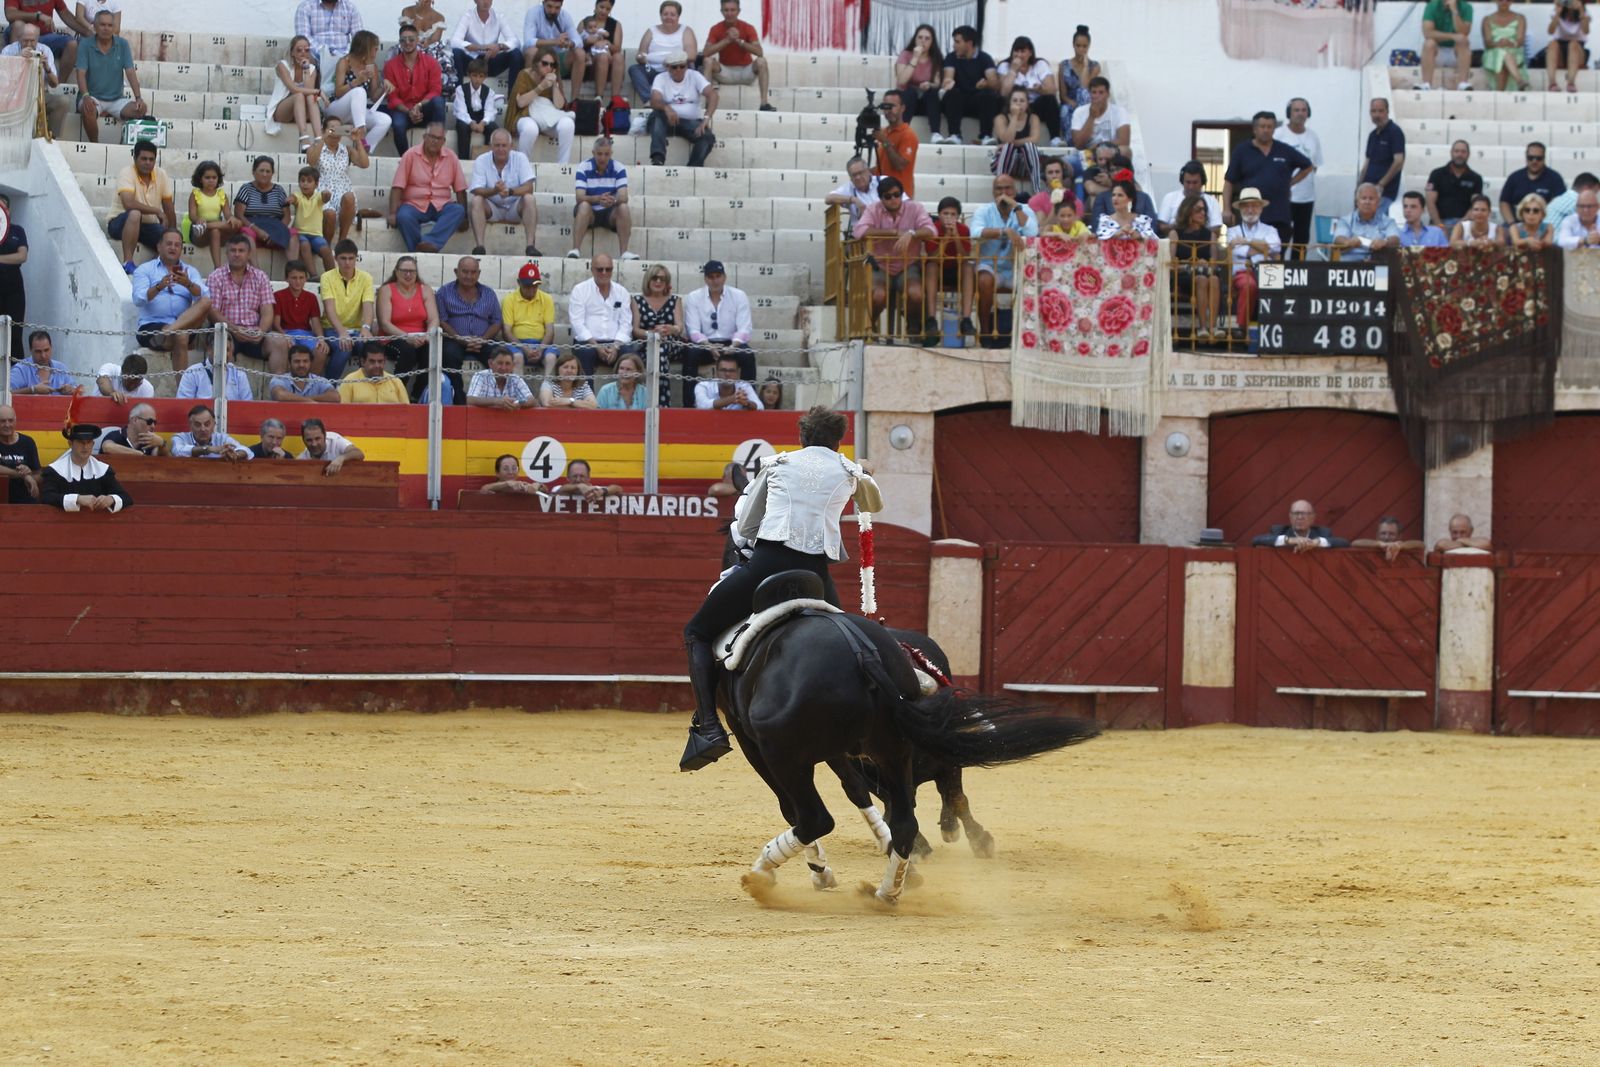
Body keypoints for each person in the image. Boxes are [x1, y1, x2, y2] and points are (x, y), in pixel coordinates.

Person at [680, 406, 883, 770]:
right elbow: (875, 504)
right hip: (817, 577)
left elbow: (746, 526)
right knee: (855, 646)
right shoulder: (849, 471)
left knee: (696, 631)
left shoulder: (777, 464)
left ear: (802, 436)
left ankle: (709, 727)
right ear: (838, 440)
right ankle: (875, 723)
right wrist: (858, 470)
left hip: (767, 567)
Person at [853, 176, 938, 341]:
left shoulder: (915, 207)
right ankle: (871, 325)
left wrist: (911, 233)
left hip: (908, 265)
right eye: (888, 196)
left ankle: (913, 326)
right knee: (877, 295)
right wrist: (893, 233)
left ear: (902, 194)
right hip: (880, 265)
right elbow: (859, 231)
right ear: (881, 198)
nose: (893, 199)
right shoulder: (873, 209)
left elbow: (931, 230)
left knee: (916, 294)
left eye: (897, 194)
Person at [1221, 111, 1314, 246]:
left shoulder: (1284, 150)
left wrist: (1290, 182)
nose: (1266, 130)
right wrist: (1226, 209)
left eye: (1270, 127)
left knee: (1276, 257)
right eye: (1262, 126)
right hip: (1251, 215)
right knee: (1246, 254)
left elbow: (1308, 166)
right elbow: (1229, 182)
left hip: (1279, 215)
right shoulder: (1242, 151)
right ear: (1255, 129)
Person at [207, 233, 290, 372]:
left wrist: (261, 331)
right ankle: (222, 392)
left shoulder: (260, 276)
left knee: (279, 342)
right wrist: (235, 329)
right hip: (227, 331)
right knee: (221, 344)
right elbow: (213, 312)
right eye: (233, 250)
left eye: (241, 251)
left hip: (255, 332)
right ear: (227, 253)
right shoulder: (216, 276)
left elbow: (267, 309)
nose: (237, 254)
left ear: (249, 253)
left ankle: (278, 388)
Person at [131, 228, 211, 372]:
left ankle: (169, 330)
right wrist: (159, 286)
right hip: (152, 327)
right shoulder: (145, 269)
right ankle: (181, 393)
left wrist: (188, 284)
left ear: (181, 248)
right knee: (181, 336)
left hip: (180, 326)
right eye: (169, 244)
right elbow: (138, 299)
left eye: (177, 245)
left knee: (205, 302)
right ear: (159, 246)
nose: (173, 248)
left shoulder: (190, 271)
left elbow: (203, 296)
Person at [972, 175, 1037, 344]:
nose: (1003, 193)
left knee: (1033, 283)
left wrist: (1016, 207)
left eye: (1007, 188)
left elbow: (1032, 233)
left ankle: (1024, 336)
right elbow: (975, 232)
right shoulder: (984, 210)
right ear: (993, 192)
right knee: (984, 281)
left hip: (1017, 267)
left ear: (1014, 191)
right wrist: (1004, 232)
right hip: (990, 265)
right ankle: (985, 332)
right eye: (999, 189)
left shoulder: (1024, 209)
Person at [388, 122, 468, 254]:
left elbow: (460, 189)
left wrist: (465, 217)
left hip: (441, 205)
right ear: (424, 137)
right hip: (414, 204)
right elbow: (398, 186)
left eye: (439, 138)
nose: (435, 141)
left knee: (458, 210)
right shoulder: (410, 155)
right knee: (404, 216)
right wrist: (392, 213)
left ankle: (430, 243)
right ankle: (419, 251)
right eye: (431, 137)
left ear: (444, 141)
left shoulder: (451, 157)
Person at [682, 259, 756, 396]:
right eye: (711, 277)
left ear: (724, 277)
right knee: (690, 353)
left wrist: (733, 346)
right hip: (705, 344)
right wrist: (708, 346)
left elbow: (745, 328)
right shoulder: (694, 297)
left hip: (732, 343)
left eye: (718, 276)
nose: (715, 281)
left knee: (747, 354)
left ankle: (748, 399)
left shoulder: (739, 296)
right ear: (705, 279)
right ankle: (690, 403)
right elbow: (693, 330)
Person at [437, 255, 506, 402]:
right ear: (456, 271)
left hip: (484, 340)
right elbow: (442, 321)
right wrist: (460, 339)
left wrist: (482, 340)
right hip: (454, 339)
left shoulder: (488, 293)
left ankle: (498, 397)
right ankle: (459, 401)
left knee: (501, 356)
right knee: (448, 355)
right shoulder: (444, 292)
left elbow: (497, 321)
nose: (469, 276)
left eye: (473, 272)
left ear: (479, 273)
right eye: (465, 271)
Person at [72, 9, 143, 146]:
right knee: (89, 109)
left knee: (141, 109)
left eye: (110, 25)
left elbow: (130, 72)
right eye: (103, 25)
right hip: (92, 96)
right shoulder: (85, 44)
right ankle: (95, 144)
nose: (106, 28)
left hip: (116, 99)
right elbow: (80, 73)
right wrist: (86, 96)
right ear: (95, 26)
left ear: (114, 27)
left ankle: (124, 144)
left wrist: (138, 97)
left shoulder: (122, 44)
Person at [466, 129, 540, 257]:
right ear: (491, 146)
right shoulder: (481, 160)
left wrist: (511, 191)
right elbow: (476, 189)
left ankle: (530, 246)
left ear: (511, 146)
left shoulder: (520, 158)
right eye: (497, 145)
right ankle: (479, 247)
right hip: (492, 207)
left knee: (529, 198)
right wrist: (494, 191)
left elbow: (529, 187)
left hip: (514, 207)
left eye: (504, 145)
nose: (500, 149)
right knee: (476, 200)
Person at [568, 253, 639, 384]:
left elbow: (626, 324)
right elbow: (577, 323)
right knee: (585, 352)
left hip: (616, 342)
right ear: (592, 269)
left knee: (630, 356)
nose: (604, 273)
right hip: (588, 341)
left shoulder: (621, 291)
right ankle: (587, 400)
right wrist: (596, 347)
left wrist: (615, 346)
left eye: (608, 269)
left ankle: (629, 401)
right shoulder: (580, 290)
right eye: (600, 269)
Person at [376, 255, 438, 400]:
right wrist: (407, 337)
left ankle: (418, 394)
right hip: (393, 337)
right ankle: (397, 393)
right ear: (396, 272)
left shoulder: (425, 289)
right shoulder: (387, 290)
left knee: (431, 351)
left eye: (412, 271)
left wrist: (427, 335)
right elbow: (385, 323)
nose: (408, 275)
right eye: (404, 271)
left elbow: (434, 318)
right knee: (407, 351)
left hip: (420, 337)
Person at [109, 139, 173, 274]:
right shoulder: (126, 172)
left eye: (151, 159)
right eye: (144, 159)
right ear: (135, 158)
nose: (148, 162)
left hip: (146, 226)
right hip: (119, 223)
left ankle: (158, 267)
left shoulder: (161, 174)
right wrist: (157, 211)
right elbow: (129, 204)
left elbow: (168, 207)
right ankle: (128, 263)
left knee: (168, 237)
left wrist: (174, 234)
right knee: (135, 214)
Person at [382, 23, 446, 155]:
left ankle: (438, 150)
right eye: (403, 40)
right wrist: (410, 111)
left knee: (439, 101)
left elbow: (435, 90)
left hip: (425, 107)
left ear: (418, 40)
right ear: (399, 42)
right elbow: (393, 98)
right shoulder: (390, 66)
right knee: (398, 125)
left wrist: (419, 105)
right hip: (404, 109)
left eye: (411, 39)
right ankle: (407, 160)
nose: (407, 43)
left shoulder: (431, 62)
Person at [325, 29, 392, 152]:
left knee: (385, 120)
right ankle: (361, 130)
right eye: (375, 48)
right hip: (337, 110)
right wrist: (357, 81)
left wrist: (384, 88)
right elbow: (338, 92)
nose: (377, 52)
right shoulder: (345, 62)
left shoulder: (372, 66)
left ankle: (364, 149)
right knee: (359, 91)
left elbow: (373, 96)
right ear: (366, 48)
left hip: (356, 113)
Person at [570, 135, 636, 260]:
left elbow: (623, 196)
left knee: (623, 207)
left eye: (606, 154)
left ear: (611, 154)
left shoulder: (619, 167)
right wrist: (598, 199)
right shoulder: (583, 167)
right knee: (583, 206)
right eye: (599, 154)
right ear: (593, 153)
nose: (602, 158)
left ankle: (624, 252)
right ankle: (575, 249)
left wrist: (613, 200)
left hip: (609, 212)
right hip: (590, 212)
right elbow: (579, 197)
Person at [648, 49, 716, 168]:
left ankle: (693, 167)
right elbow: (654, 100)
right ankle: (658, 158)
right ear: (668, 67)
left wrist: (706, 119)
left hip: (690, 122)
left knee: (707, 137)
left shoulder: (694, 75)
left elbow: (713, 95)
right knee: (657, 116)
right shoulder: (660, 78)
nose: (678, 70)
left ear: (686, 66)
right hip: (666, 120)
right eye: (674, 67)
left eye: (682, 66)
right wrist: (666, 108)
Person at [507, 46, 575, 164]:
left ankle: (562, 165)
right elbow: (521, 102)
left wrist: (554, 85)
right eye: (545, 63)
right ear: (537, 63)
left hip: (547, 117)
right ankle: (522, 165)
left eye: (552, 65)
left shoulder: (553, 77)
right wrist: (541, 87)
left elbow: (559, 105)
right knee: (530, 129)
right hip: (525, 114)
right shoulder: (524, 75)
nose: (548, 68)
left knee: (568, 124)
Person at [41, 423, 132, 511]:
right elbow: (47, 497)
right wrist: (77, 499)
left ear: (92, 444)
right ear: (70, 444)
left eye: (88, 442)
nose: (85, 447)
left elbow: (126, 497)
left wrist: (111, 499)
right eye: (81, 442)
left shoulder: (103, 470)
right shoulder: (55, 470)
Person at [319, 240, 375, 380]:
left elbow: (368, 305)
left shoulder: (366, 278)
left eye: (351, 258)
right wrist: (342, 332)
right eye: (343, 258)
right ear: (335, 258)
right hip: (331, 328)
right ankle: (329, 386)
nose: (347, 262)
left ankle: (367, 385)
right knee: (344, 347)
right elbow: (329, 308)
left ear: (356, 258)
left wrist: (366, 327)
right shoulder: (327, 277)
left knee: (369, 347)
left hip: (356, 329)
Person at [935, 25, 999, 146]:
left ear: (969, 43)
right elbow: (948, 77)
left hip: (976, 101)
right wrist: (948, 82)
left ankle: (986, 136)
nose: (954, 45)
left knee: (988, 95)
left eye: (957, 42)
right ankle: (954, 135)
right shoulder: (951, 57)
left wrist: (986, 84)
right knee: (953, 94)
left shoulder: (984, 58)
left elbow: (995, 84)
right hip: (957, 101)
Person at [702, 0, 772, 112]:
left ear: (738, 11)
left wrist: (740, 41)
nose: (729, 13)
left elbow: (759, 52)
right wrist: (727, 40)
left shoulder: (748, 27)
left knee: (761, 61)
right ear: (721, 11)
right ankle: (708, 103)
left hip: (746, 72)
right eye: (726, 10)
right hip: (725, 73)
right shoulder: (715, 29)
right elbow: (706, 52)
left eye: (733, 10)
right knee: (707, 61)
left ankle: (764, 103)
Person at [1227, 188, 1281, 331]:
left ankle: (1274, 329)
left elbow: (1274, 249)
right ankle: (1242, 328)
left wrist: (1246, 241)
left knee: (1280, 286)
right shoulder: (1232, 231)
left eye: (1254, 205)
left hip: (1268, 271)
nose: (1250, 210)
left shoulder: (1270, 230)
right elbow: (1242, 251)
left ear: (1261, 208)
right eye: (1246, 206)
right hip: (1243, 271)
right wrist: (1263, 247)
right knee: (1249, 285)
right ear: (1240, 209)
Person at [923, 196, 975, 342]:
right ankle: (932, 319)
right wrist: (945, 238)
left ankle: (966, 319)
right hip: (937, 269)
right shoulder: (933, 229)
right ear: (939, 215)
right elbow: (933, 257)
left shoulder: (963, 229)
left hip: (956, 269)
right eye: (945, 214)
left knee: (968, 267)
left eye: (953, 214)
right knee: (932, 266)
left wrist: (956, 236)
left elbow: (964, 256)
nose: (949, 217)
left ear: (958, 216)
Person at [1171, 195, 1221, 342]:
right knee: (1201, 280)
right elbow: (1170, 263)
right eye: (1198, 209)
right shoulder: (1176, 234)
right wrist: (1190, 264)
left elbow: (1215, 263)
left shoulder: (1209, 235)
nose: (1203, 213)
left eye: (1204, 210)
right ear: (1188, 211)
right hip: (1182, 275)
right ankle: (1203, 328)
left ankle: (1213, 328)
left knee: (1213, 279)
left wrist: (1206, 264)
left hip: (1204, 274)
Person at [631, 262, 682, 402]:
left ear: (667, 282)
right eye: (654, 278)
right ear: (648, 280)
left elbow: (679, 327)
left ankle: (652, 401)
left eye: (662, 279)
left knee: (661, 348)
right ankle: (660, 402)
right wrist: (652, 335)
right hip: (646, 341)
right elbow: (635, 330)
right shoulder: (637, 300)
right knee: (657, 349)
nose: (658, 281)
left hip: (670, 342)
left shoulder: (675, 300)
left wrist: (671, 329)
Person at [1278, 98, 1323, 257]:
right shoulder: (1279, 134)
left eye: (1303, 110)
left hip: (1306, 197)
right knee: (1281, 237)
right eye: (1296, 110)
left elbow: (1315, 166)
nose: (1300, 113)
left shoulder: (1313, 137)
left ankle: (1298, 272)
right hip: (1284, 197)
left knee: (1301, 238)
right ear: (1289, 113)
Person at [270, 260, 331, 372]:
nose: (298, 281)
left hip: (305, 334)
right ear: (286, 279)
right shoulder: (278, 296)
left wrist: (321, 338)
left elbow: (316, 323)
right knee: (286, 347)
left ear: (306, 278)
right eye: (294, 278)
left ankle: (309, 383)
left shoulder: (311, 297)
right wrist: (284, 336)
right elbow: (276, 324)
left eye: (301, 278)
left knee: (321, 351)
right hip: (286, 332)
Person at [630, 0, 696, 103]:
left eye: (672, 14)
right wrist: (641, 58)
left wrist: (670, 60)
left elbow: (691, 55)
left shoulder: (686, 31)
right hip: (653, 71)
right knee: (634, 69)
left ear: (678, 16)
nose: (668, 17)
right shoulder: (651, 31)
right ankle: (650, 100)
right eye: (665, 14)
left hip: (674, 70)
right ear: (661, 16)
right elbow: (640, 54)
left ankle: (682, 99)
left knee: (690, 67)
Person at [997, 35, 1059, 144]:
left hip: (1034, 104)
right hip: (1013, 106)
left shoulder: (1040, 64)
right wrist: (1013, 70)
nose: (1019, 55)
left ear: (1030, 53)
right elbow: (1003, 92)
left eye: (1023, 51)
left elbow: (1052, 89)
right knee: (998, 100)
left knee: (1050, 100)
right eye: (1016, 51)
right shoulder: (1005, 66)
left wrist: (1041, 89)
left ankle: (1055, 138)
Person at [267, 35, 325, 152]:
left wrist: (306, 69)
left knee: (310, 97)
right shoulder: (283, 65)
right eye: (299, 50)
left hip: (303, 111)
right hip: (283, 110)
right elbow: (293, 89)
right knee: (299, 95)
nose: (303, 53)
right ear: (292, 52)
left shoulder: (311, 68)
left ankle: (319, 138)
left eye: (307, 50)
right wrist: (318, 91)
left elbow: (308, 90)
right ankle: (304, 137)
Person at [502, 261, 559, 376]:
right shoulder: (509, 299)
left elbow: (550, 331)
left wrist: (541, 349)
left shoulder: (546, 299)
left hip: (541, 344)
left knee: (551, 357)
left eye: (535, 285)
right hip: (517, 344)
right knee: (517, 358)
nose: (532, 289)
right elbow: (507, 332)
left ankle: (547, 391)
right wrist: (524, 348)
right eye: (528, 286)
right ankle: (519, 393)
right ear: (519, 283)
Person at [232, 155, 293, 263]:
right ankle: (257, 273)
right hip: (251, 227)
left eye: (268, 171)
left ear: (272, 173)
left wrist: (277, 234)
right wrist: (257, 230)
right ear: (254, 172)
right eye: (261, 170)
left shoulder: (279, 190)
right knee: (247, 234)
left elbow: (287, 216)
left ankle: (294, 270)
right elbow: (239, 214)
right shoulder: (246, 189)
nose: (265, 174)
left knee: (293, 234)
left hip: (275, 228)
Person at [186, 160, 242, 272]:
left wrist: (231, 218)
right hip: (199, 231)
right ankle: (218, 268)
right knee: (215, 230)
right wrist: (198, 219)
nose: (211, 180)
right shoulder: (195, 194)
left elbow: (227, 214)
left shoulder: (221, 194)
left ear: (218, 179)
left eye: (214, 177)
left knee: (237, 224)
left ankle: (210, 226)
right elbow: (192, 215)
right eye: (207, 178)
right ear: (200, 179)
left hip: (215, 228)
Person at [450, 0, 521, 82]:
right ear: (475, 1)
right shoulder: (467, 16)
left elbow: (516, 41)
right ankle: (459, 93)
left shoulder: (499, 17)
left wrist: (499, 47)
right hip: (472, 61)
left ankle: (512, 94)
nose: (486, 2)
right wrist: (482, 47)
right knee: (456, 53)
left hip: (491, 60)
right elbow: (454, 42)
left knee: (516, 54)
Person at [893, 23, 943, 135]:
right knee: (910, 92)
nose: (923, 41)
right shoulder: (905, 55)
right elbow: (901, 81)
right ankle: (901, 132)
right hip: (906, 101)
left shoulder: (936, 58)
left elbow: (937, 83)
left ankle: (936, 134)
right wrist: (915, 58)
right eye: (920, 37)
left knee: (932, 93)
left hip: (925, 102)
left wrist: (929, 85)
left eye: (927, 38)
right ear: (915, 39)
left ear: (932, 42)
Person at [1331, 184, 1401, 262]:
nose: (1367, 202)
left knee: (1384, 272)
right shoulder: (1345, 220)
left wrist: (1385, 242)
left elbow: (1395, 240)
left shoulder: (1388, 222)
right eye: (1364, 198)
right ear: (1357, 202)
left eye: (1371, 199)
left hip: (1378, 265)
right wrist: (1348, 242)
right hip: (1351, 266)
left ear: (1378, 202)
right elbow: (1338, 239)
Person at [1500, 143, 1567, 224]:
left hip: (1544, 225)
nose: (1534, 161)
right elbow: (1504, 202)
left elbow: (1559, 205)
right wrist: (1512, 224)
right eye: (1530, 158)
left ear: (1544, 158)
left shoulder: (1555, 178)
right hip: (1517, 224)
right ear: (1526, 157)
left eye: (1538, 158)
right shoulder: (1514, 177)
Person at [1425, 140, 1483, 233]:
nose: (1459, 154)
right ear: (1451, 153)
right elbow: (1430, 202)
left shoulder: (1476, 178)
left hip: (1465, 224)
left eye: (1463, 152)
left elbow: (1475, 205)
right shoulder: (1437, 174)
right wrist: (1440, 226)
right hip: (1440, 223)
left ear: (1468, 154)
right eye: (1456, 151)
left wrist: (1461, 225)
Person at [992, 87, 1042, 192]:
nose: (1018, 103)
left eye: (1022, 101)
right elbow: (1007, 140)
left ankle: (1037, 188)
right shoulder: (1000, 118)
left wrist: (1015, 143)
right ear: (1009, 103)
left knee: (1030, 146)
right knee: (1008, 147)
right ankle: (1000, 186)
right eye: (1015, 100)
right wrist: (1014, 117)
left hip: (1025, 163)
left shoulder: (1033, 118)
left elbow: (1035, 139)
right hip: (1004, 161)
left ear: (1027, 103)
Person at [452, 57, 504, 159]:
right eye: (474, 76)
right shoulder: (461, 90)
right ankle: (463, 157)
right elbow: (461, 110)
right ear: (469, 75)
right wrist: (471, 123)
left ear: (485, 77)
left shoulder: (489, 92)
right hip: (466, 119)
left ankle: (487, 157)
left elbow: (490, 111)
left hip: (481, 120)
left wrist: (483, 123)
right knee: (462, 126)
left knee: (493, 127)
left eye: (481, 76)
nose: (477, 79)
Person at [1156, 161, 1224, 239]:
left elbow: (1216, 230)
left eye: (1195, 183)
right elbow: (1162, 227)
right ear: (1182, 181)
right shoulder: (1169, 198)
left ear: (1202, 182)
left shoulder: (1212, 202)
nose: (1191, 187)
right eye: (1188, 182)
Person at [175, 334, 253, 401]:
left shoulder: (239, 375)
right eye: (220, 349)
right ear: (209, 349)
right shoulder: (192, 372)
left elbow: (248, 406)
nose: (225, 354)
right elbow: (183, 404)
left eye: (227, 350)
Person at [292, 0, 363, 70]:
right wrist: (325, 55)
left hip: (345, 59)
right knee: (302, 58)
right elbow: (303, 38)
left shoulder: (350, 8)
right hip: (316, 58)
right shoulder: (305, 7)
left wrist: (344, 55)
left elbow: (358, 39)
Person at [1362, 98, 1405, 214]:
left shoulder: (1395, 132)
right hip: (1367, 193)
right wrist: (1359, 187)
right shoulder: (1372, 135)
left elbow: (1399, 161)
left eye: (1380, 111)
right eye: (1373, 111)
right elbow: (1367, 163)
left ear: (1387, 111)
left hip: (1384, 194)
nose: (1377, 115)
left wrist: (1381, 184)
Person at [1250, 500, 1346, 551]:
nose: (1300, 517)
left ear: (1313, 518)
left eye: (1305, 514)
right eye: (1296, 513)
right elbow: (1256, 540)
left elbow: (1344, 543)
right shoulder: (1278, 531)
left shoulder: (1323, 532)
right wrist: (1289, 540)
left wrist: (1316, 542)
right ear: (1290, 517)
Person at [1420, 0, 1474, 91]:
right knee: (1429, 43)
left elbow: (1464, 32)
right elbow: (1427, 33)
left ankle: (1462, 84)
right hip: (1437, 52)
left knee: (1464, 42)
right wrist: (1452, 36)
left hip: (1456, 53)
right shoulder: (1432, 6)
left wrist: (1454, 10)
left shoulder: (1467, 7)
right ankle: (1426, 84)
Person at [1068, 76, 1129, 152]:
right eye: (1094, 92)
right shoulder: (1079, 112)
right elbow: (1078, 144)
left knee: (1125, 151)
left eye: (1101, 92)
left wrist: (1100, 146)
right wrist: (1091, 117)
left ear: (1108, 94)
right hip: (1088, 154)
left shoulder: (1120, 111)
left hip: (1110, 152)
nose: (1097, 96)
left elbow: (1124, 141)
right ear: (1089, 94)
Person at [170, 403, 251, 460]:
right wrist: (208, 449)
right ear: (190, 426)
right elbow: (177, 452)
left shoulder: (222, 438)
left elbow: (246, 450)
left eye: (207, 424)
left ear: (214, 424)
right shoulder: (180, 438)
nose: (203, 429)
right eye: (198, 425)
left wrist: (235, 454)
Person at [523, 0, 578, 81]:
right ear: (543, 3)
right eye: (549, 6)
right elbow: (528, 42)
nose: (553, 11)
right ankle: (531, 91)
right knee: (531, 51)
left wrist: (569, 43)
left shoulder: (565, 16)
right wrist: (555, 41)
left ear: (561, 5)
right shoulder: (533, 13)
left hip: (557, 58)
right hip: (538, 57)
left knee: (579, 53)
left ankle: (575, 94)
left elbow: (578, 41)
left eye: (557, 8)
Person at [339, 341, 410, 404]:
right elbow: (341, 413)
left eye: (380, 361)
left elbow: (407, 411)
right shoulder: (349, 382)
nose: (377, 365)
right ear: (362, 362)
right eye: (372, 361)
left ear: (384, 361)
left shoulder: (396, 382)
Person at [1481, 0, 1530, 91]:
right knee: (1501, 53)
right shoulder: (1487, 19)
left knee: (1503, 58)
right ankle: (1519, 80)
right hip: (1493, 53)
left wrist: (1510, 43)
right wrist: (1498, 44)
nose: (1504, 2)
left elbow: (1520, 40)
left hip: (1514, 51)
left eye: (1507, 0)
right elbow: (1487, 42)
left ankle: (1499, 94)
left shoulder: (1520, 18)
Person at [0, 403, 42, 505]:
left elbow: (39, 474)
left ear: (15, 421)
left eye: (10, 420)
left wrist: (30, 475)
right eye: (2, 421)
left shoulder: (28, 442)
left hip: (26, 502)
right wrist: (23, 475)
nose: (7, 424)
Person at [268, 344, 340, 403]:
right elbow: (280, 395)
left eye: (305, 361)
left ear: (310, 363)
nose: (301, 365)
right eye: (297, 361)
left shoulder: (319, 380)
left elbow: (335, 397)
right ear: (289, 364)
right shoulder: (279, 379)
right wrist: (308, 401)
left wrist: (304, 399)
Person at [9, 330, 74, 395]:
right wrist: (32, 390)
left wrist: (71, 390)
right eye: (38, 351)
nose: (43, 356)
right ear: (30, 350)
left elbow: (79, 392)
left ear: (51, 348)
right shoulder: (21, 369)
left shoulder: (61, 368)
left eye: (46, 350)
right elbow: (5, 394)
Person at [824, 156, 880, 230]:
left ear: (868, 171)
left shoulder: (882, 181)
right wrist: (853, 200)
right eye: (854, 175)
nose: (858, 177)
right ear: (850, 177)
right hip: (862, 236)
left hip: (887, 229)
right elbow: (828, 198)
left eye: (860, 173)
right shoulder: (849, 188)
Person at [467, 348, 535, 409]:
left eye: (507, 364)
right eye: (500, 363)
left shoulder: (516, 379)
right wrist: (496, 401)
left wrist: (518, 403)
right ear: (490, 363)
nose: (503, 368)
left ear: (513, 366)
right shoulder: (481, 376)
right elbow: (470, 399)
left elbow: (532, 400)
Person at [0, 191, 25, 357]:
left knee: (15, 334)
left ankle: (16, 376)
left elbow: (22, 256)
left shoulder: (17, 231)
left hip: (14, 290)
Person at [1547, 0, 1590, 93]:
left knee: (1573, 44)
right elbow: (1550, 31)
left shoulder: (1585, 13)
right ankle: (1552, 83)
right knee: (1552, 44)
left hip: (1578, 50)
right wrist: (1557, 13)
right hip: (1560, 50)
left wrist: (1581, 10)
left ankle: (1571, 83)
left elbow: (1586, 31)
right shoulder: (1558, 11)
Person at [694, 354, 761, 410]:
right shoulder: (703, 386)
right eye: (723, 370)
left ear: (738, 373)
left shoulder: (744, 386)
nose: (727, 374)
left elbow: (760, 407)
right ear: (716, 372)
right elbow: (702, 406)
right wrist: (733, 399)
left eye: (731, 371)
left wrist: (747, 403)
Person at [298, 417, 364, 474]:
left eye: (317, 439)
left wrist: (341, 458)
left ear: (325, 436)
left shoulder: (336, 441)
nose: (314, 444)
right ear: (303, 440)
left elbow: (359, 454)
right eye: (309, 440)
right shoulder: (302, 458)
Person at [1058, 25, 1100, 113]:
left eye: (1084, 46)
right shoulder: (1064, 65)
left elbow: (1085, 88)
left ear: (1089, 46)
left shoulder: (1094, 66)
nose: (1081, 49)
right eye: (1078, 45)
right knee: (1065, 110)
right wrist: (1071, 102)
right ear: (1073, 45)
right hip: (1070, 104)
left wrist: (1085, 66)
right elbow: (1063, 95)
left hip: (1087, 104)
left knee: (1083, 95)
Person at [99, 402, 168, 456]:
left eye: (154, 422)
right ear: (135, 420)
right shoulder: (116, 435)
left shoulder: (149, 441)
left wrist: (162, 444)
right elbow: (107, 447)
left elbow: (162, 457)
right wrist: (140, 454)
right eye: (149, 422)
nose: (153, 426)